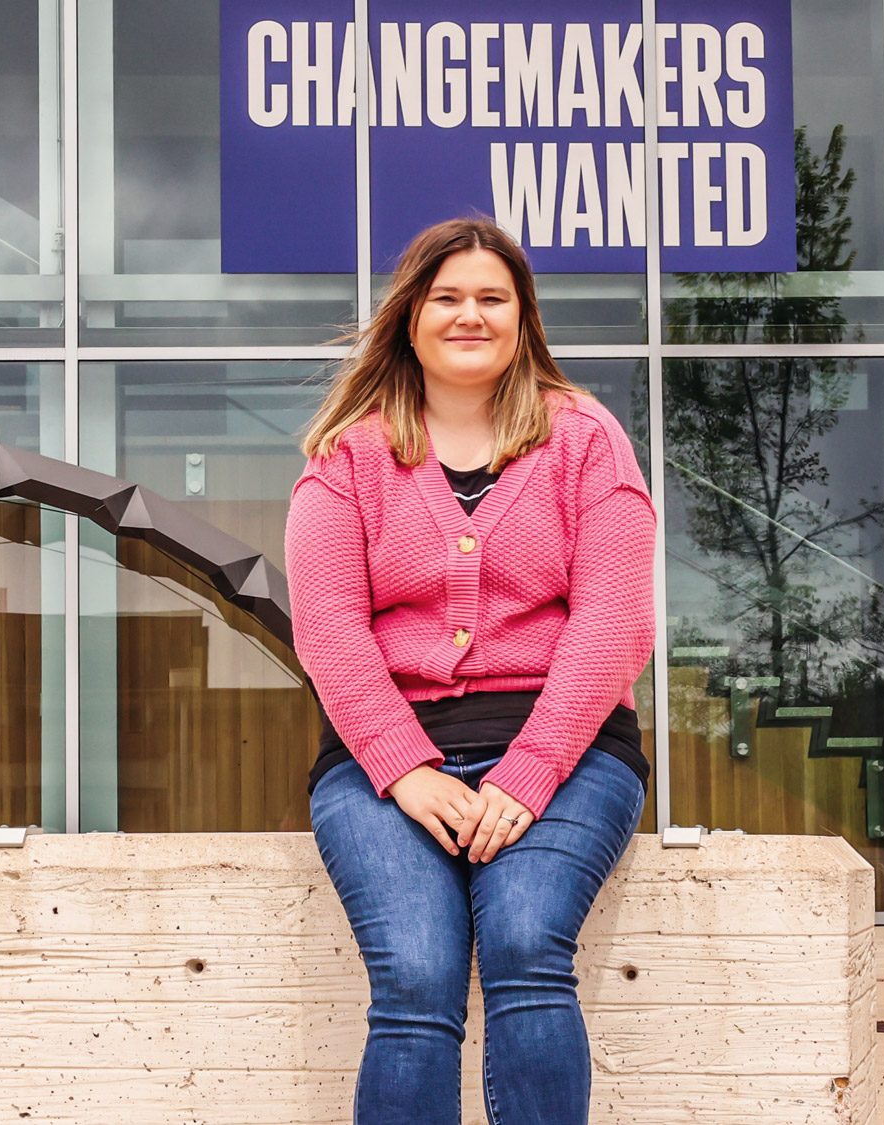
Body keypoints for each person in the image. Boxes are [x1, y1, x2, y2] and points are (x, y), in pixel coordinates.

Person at [285, 216, 655, 1124]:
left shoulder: (587, 441)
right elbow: (328, 626)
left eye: (492, 298)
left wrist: (531, 770)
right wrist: (402, 765)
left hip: (566, 756)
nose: (469, 315)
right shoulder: (347, 456)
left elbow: (615, 619)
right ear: (410, 316)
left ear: (523, 318)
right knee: (416, 970)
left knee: (529, 943)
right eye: (447, 297)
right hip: (385, 767)